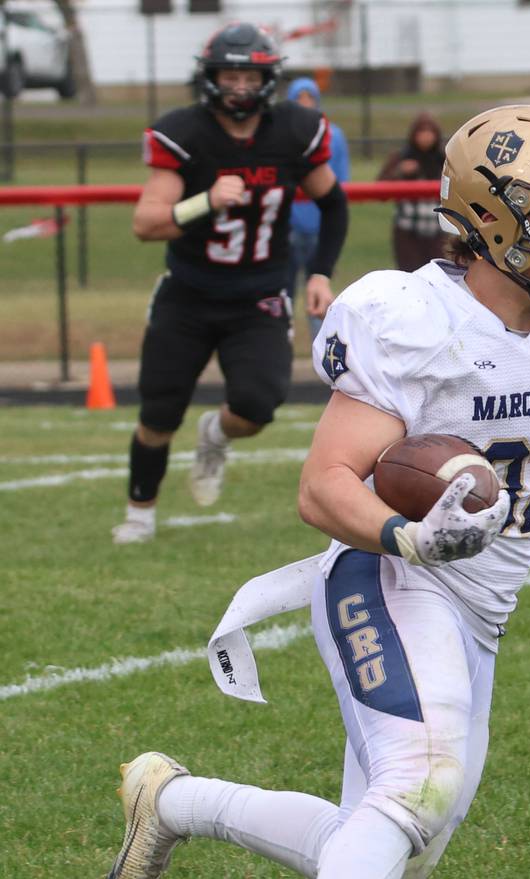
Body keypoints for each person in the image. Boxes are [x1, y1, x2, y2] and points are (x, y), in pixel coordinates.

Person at [103, 105, 530, 879]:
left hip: (480, 603)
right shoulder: (415, 317)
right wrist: (405, 542)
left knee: (383, 851)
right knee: (419, 783)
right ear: (489, 219)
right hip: (389, 574)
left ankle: (168, 801)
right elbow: (323, 485)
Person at [113, 22, 348, 546]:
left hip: (258, 293)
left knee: (259, 402)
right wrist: (207, 201)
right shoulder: (186, 133)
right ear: (210, 77)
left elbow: (333, 203)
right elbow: (145, 224)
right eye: (229, 74)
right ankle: (139, 514)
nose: (239, 86)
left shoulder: (294, 130)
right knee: (158, 410)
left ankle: (215, 435)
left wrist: (319, 272)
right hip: (189, 293)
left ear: (268, 79)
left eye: (250, 76)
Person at [287, 76, 350, 343]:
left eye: (309, 98)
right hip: (290, 226)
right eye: (299, 99)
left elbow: (339, 180)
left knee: (318, 288)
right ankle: (279, 340)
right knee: (282, 290)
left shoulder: (333, 135)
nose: (305, 104)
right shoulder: (283, 134)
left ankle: (320, 346)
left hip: (319, 224)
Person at [376, 111, 447, 271]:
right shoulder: (401, 157)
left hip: (437, 229)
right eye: (421, 132)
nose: (426, 137)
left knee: (437, 276)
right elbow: (380, 189)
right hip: (407, 229)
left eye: (430, 132)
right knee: (410, 275)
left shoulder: (444, 160)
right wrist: (400, 172)